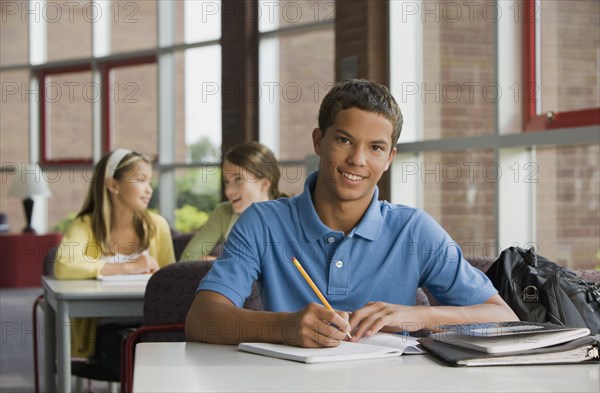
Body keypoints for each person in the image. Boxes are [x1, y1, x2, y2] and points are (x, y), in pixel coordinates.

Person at [185, 79, 517, 348]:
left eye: (375, 148)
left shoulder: (413, 229)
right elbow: (202, 320)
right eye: (344, 140)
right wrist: (285, 326)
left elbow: (503, 317)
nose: (358, 159)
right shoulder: (262, 222)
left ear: (389, 158)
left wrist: (410, 315)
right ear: (319, 141)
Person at [54, 148, 175, 373]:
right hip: (107, 331)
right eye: (140, 180)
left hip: (152, 327)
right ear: (113, 185)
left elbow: (171, 279)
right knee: (133, 357)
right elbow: (64, 266)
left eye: (150, 181)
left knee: (161, 357)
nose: (149, 189)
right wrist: (130, 267)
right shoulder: (85, 225)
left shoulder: (157, 225)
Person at [180, 141, 285, 261]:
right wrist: (230, 264)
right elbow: (188, 258)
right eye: (226, 182)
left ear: (264, 184)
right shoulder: (224, 213)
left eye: (238, 179)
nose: (229, 191)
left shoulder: (287, 216)